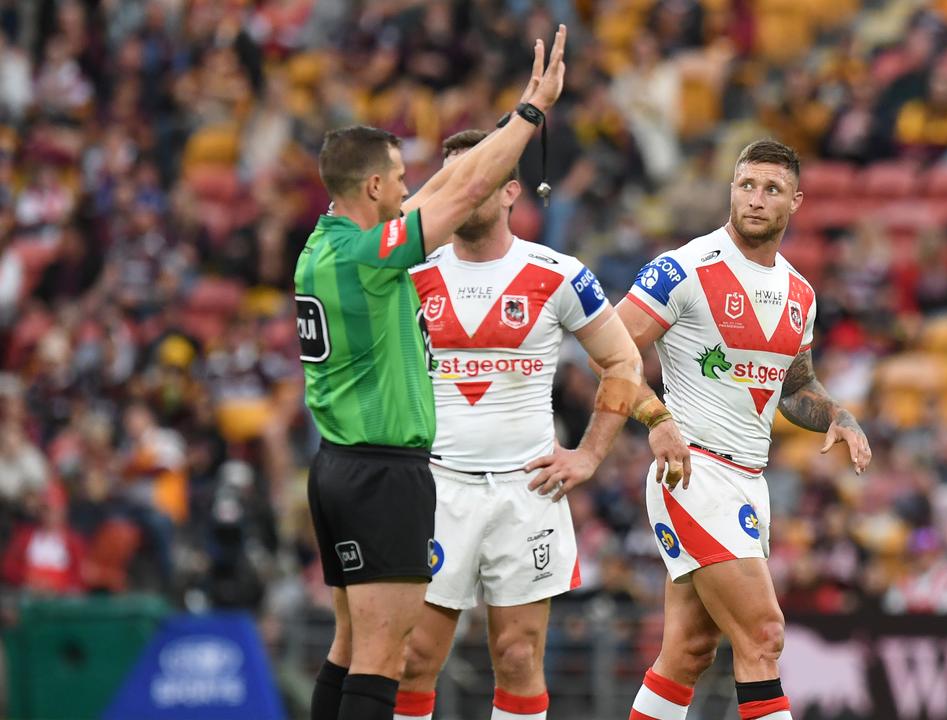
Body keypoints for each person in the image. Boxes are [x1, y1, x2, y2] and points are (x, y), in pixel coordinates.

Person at [295, 27, 568, 720]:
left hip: (336, 466)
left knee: (350, 643)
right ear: (378, 185)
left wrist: (508, 119)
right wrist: (532, 114)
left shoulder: (330, 244)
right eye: (402, 175)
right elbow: (469, 186)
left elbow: (452, 184)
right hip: (383, 473)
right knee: (384, 658)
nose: (414, 184)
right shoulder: (374, 256)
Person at [616, 140, 872, 720]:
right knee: (763, 635)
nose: (756, 200)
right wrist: (655, 419)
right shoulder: (682, 268)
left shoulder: (799, 293)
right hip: (694, 471)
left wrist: (839, 415)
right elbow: (610, 352)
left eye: (772, 190)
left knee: (688, 651)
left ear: (796, 202)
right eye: (746, 185)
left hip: (747, 480)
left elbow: (795, 386)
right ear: (731, 189)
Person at [390, 129, 641, 720]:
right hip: (437, 486)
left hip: (527, 490)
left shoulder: (558, 273)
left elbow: (624, 360)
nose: (464, 188)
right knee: (414, 658)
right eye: (453, 178)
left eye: (479, 175)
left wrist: (590, 455)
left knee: (519, 654)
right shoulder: (407, 270)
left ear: (510, 190)